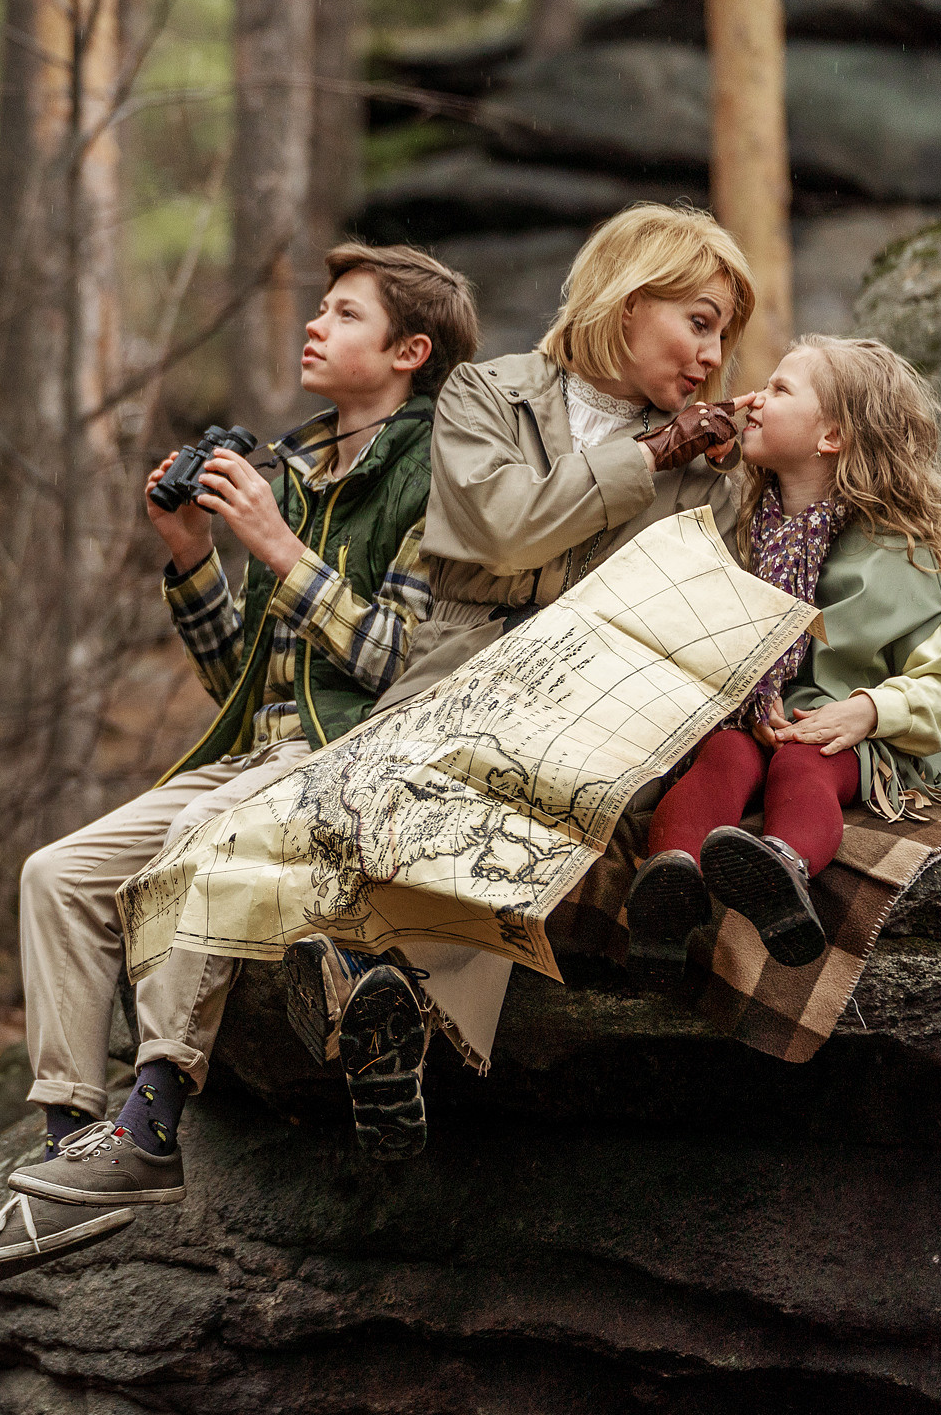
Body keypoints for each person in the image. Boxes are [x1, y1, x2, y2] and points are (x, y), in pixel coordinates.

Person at [0, 244, 481, 1286]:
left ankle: (150, 1126)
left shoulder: (435, 474)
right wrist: (191, 554)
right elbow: (247, 679)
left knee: (197, 843)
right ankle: (64, 1148)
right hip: (262, 746)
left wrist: (278, 549)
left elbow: (400, 667)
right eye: (320, 310)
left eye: (344, 314)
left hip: (351, 758)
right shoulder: (306, 464)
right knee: (55, 875)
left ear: (410, 352)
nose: (315, 326)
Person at [277, 204, 753, 1158]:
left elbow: (674, 611)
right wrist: (650, 455)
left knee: (517, 806)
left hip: (593, 707)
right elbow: (501, 530)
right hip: (451, 681)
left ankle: (379, 1007)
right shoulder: (484, 395)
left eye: (725, 336)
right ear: (627, 297)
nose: (712, 356)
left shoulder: (713, 475)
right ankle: (391, 1010)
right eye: (698, 321)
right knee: (393, 791)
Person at [628, 335, 941, 968]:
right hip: (755, 724)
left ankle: (781, 878)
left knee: (805, 765)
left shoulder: (893, 556)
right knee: (721, 756)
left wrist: (868, 711)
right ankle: (670, 888)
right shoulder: (746, 531)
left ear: (832, 437)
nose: (755, 400)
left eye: (780, 389)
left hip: (849, 740)